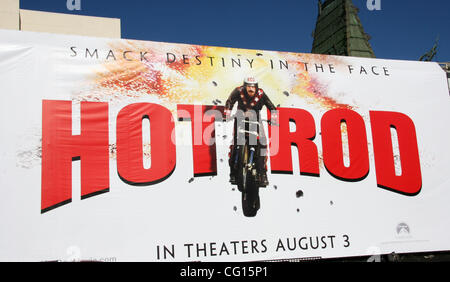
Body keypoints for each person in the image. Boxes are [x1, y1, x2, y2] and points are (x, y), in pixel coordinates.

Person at [224, 76, 277, 187]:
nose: (251, 89)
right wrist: (227, 113)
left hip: (256, 120)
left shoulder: (261, 94)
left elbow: (271, 107)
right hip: (240, 118)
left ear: (256, 87)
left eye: (253, 86)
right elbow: (230, 101)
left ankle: (262, 175)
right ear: (244, 86)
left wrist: (273, 118)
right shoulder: (238, 91)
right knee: (235, 143)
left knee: (262, 144)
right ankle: (233, 173)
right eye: (248, 86)